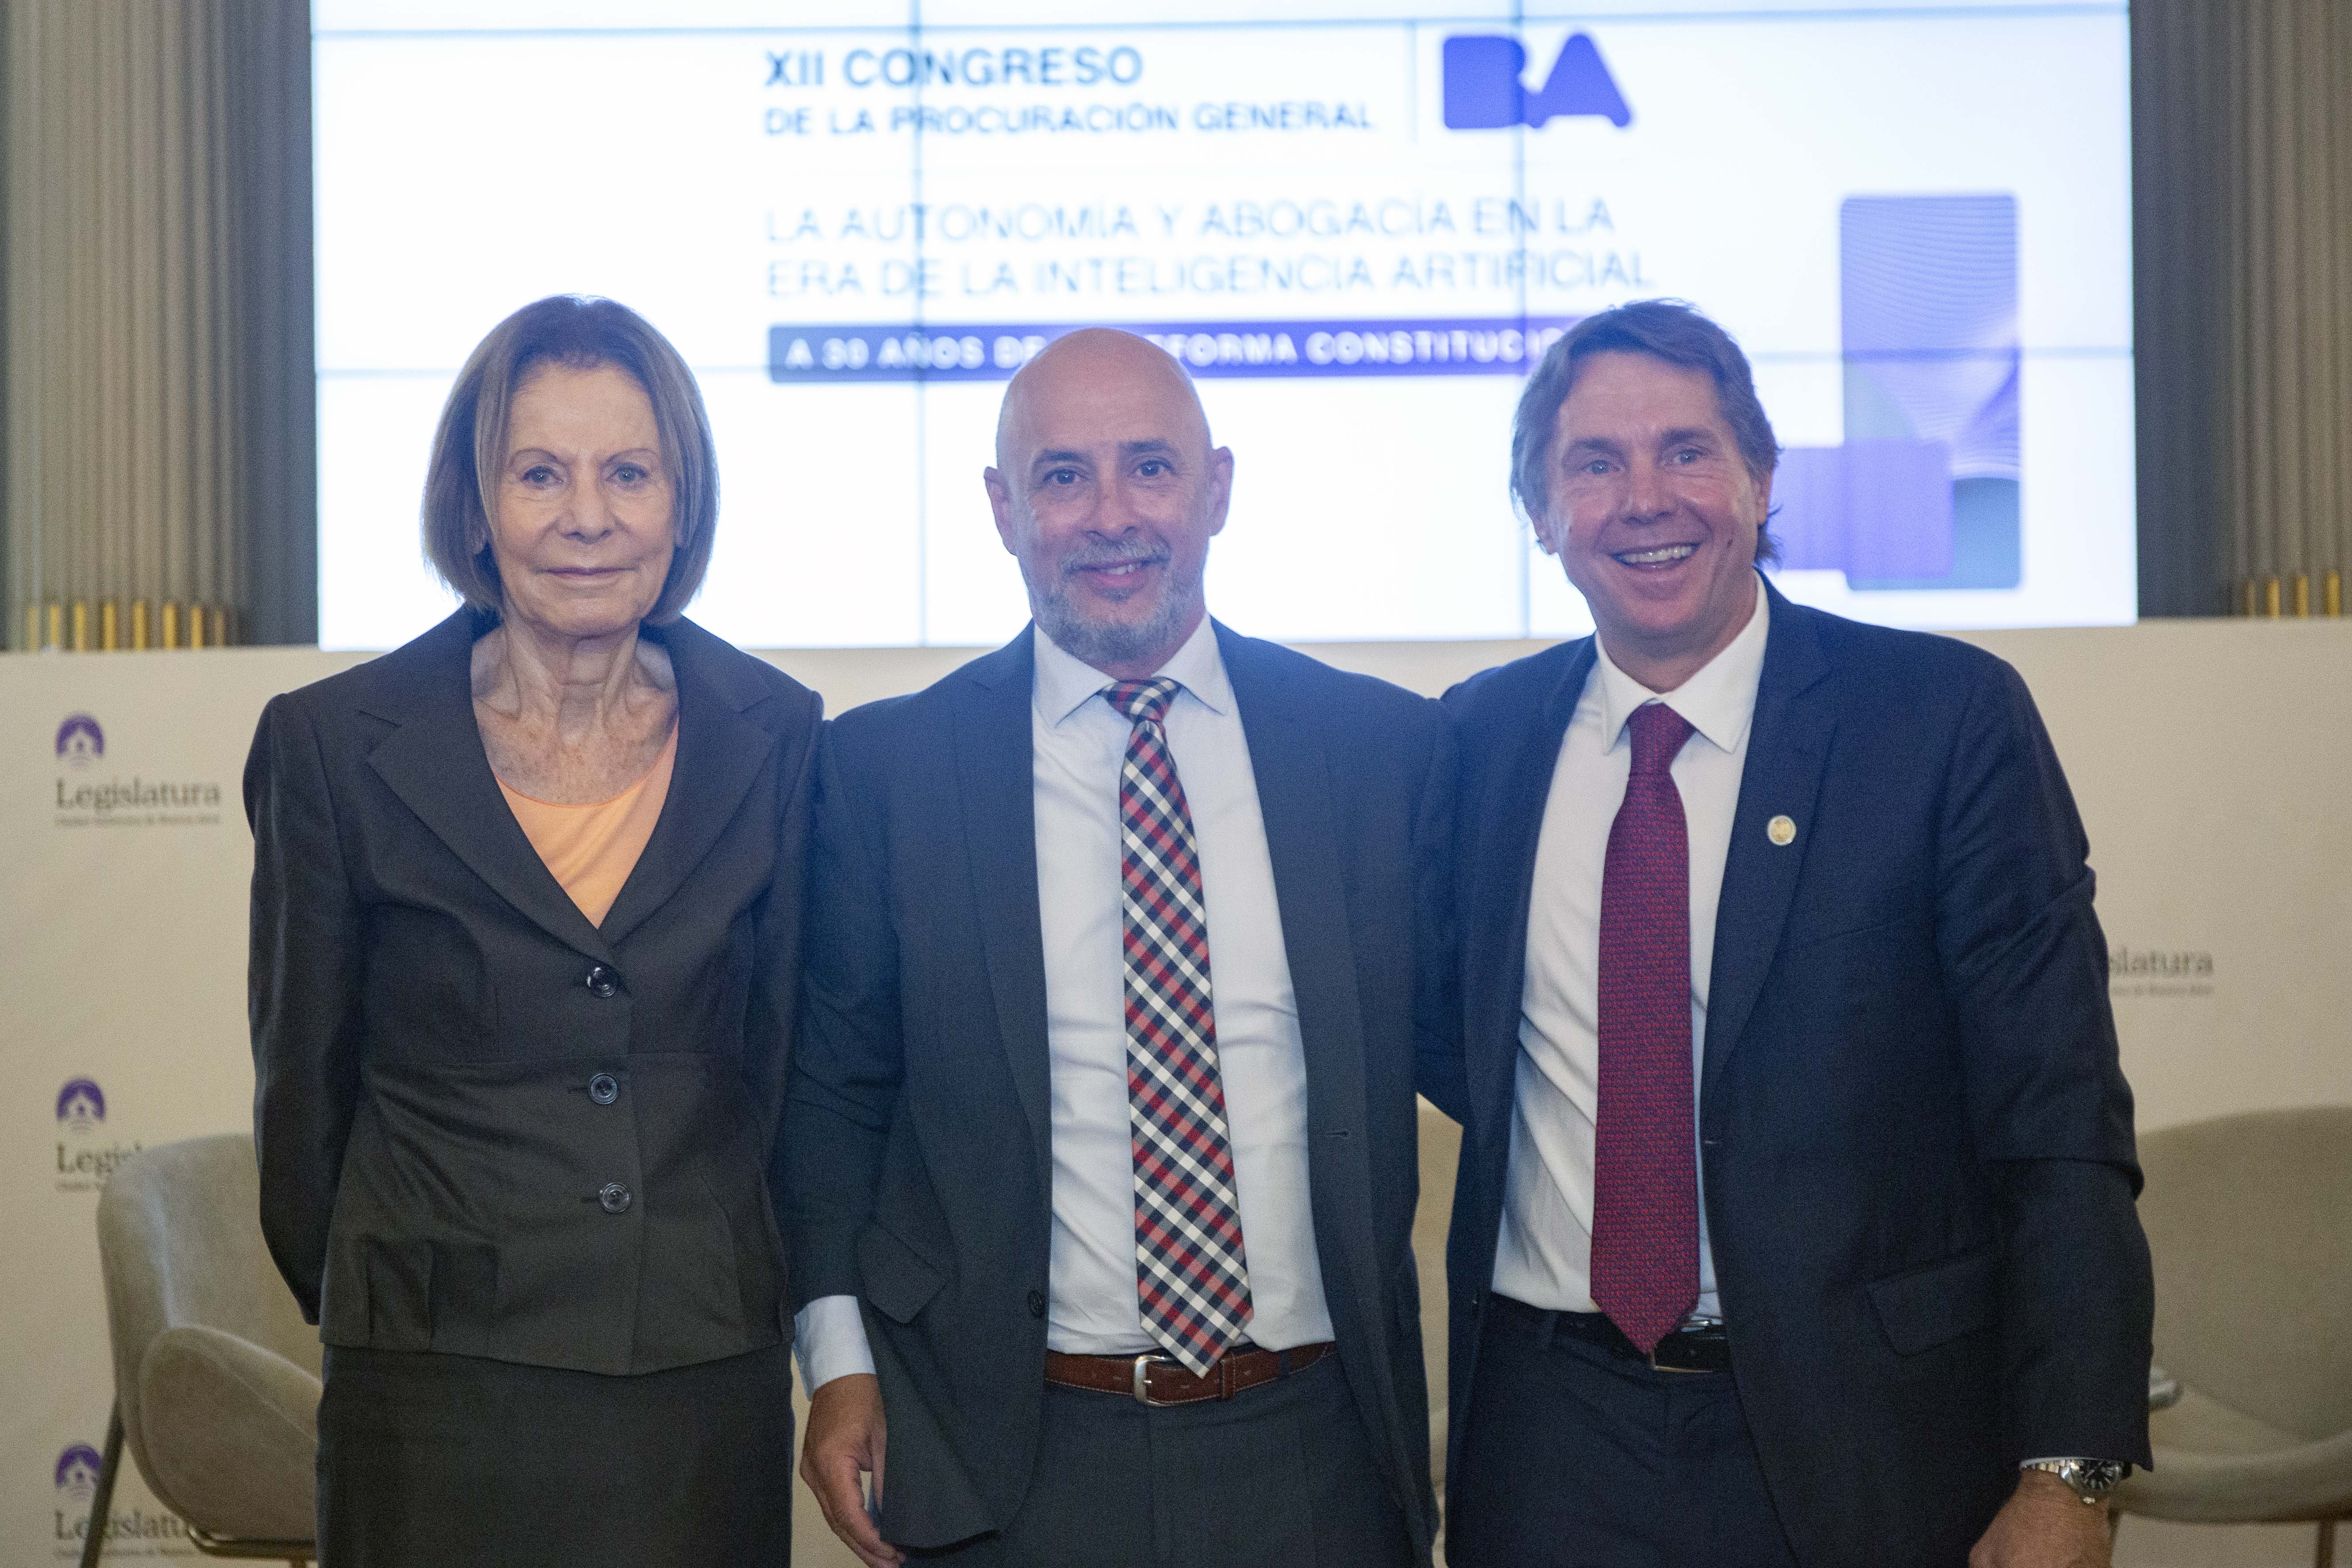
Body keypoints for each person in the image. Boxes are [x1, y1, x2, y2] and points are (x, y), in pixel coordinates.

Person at [1429, 300, 2153, 1568]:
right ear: (1538, 515)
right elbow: (1442, 1040)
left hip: (1863, 1439)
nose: (1643, 497)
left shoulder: (1938, 724)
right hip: (1549, 1438)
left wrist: (2068, 1471)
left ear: (1760, 481)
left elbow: (2058, 1123)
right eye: (1592, 464)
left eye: (1686, 452)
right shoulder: (1475, 742)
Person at [781, 329, 1452, 1568]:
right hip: (1011, 1457)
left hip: (1315, 1452)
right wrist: (835, 1366)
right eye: (1060, 476)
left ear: (1218, 488)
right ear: (1000, 507)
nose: (1109, 516)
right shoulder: (887, 774)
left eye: (1149, 467)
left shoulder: (1375, 755)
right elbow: (831, 1103)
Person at [245, 294, 819, 1565]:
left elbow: (778, 1066)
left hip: (696, 1375)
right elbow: (305, 1084)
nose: (588, 517)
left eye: (630, 472)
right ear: (471, 505)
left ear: (684, 502)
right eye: (539, 473)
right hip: (432, 1388)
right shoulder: (333, 746)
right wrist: (379, 1297)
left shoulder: (775, 734)